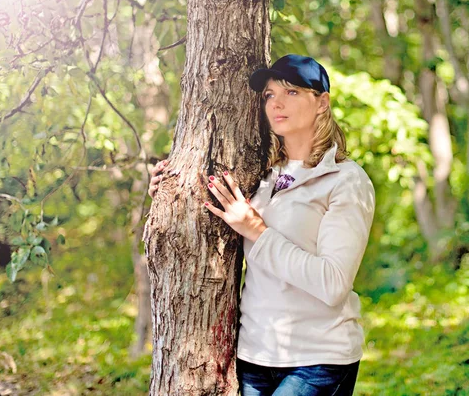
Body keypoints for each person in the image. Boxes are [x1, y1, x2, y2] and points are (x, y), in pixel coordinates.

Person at [148, 54, 375, 396]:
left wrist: (257, 230)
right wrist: (169, 191)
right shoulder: (263, 175)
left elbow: (333, 283)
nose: (277, 103)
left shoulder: (345, 180)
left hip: (317, 358)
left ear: (322, 103)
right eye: (269, 94)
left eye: (292, 92)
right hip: (254, 356)